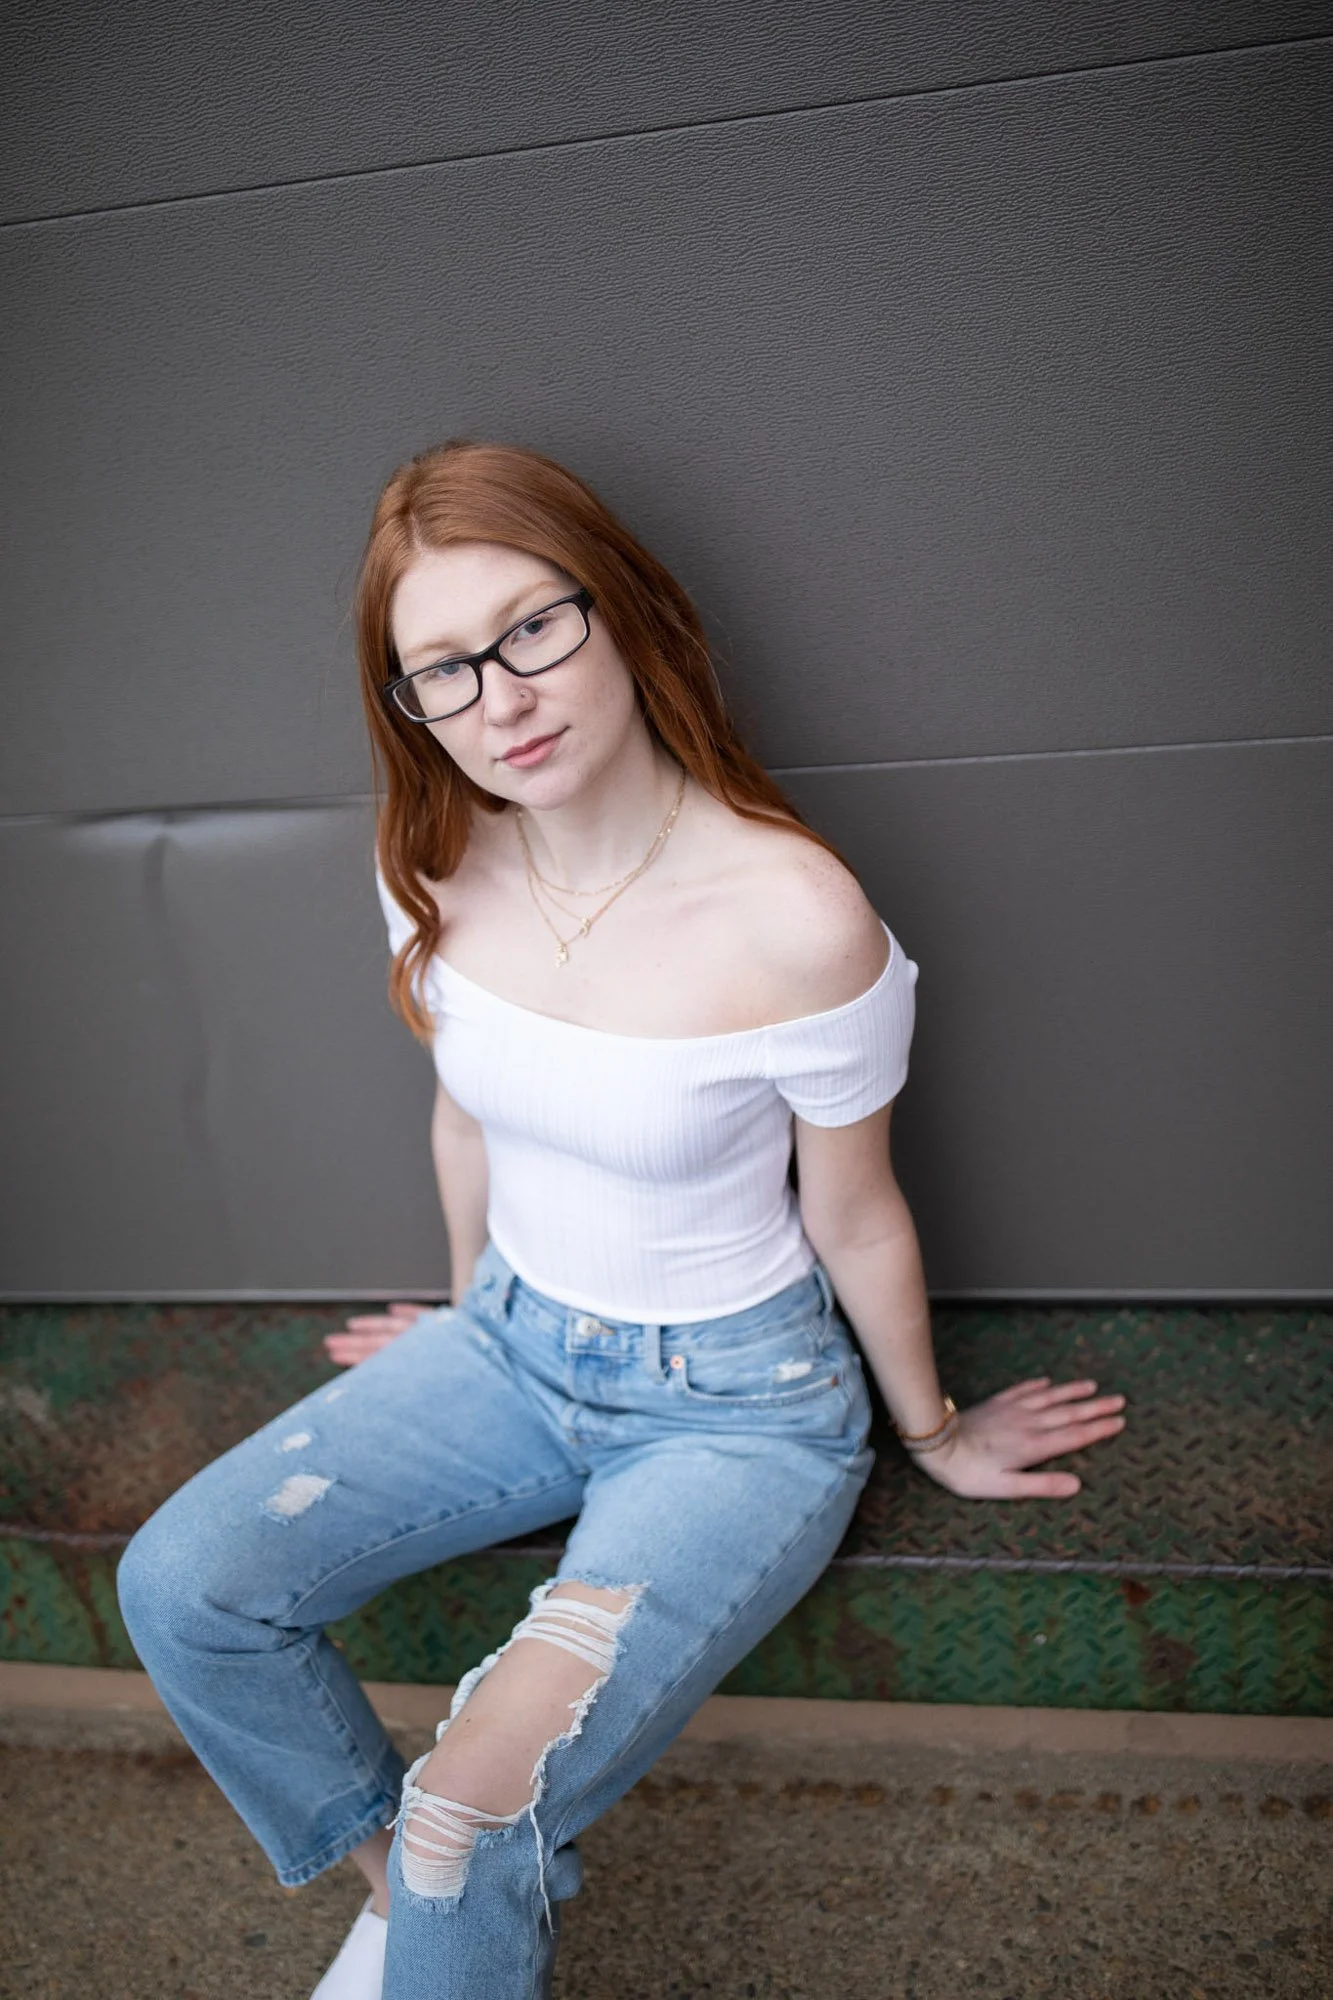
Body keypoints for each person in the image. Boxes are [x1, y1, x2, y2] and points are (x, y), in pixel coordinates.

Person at [117, 439, 1127, 1999]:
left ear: (627, 609)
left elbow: (855, 1215)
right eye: (440, 670)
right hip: (514, 1343)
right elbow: (467, 1118)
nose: (500, 700)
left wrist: (929, 1432)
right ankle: (412, 1904)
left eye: (534, 627)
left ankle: (442, 1886)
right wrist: (460, 1324)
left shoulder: (796, 915)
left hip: (734, 1411)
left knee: (479, 1801)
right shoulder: (431, 867)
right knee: (183, 1587)